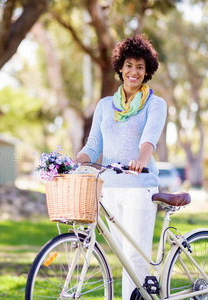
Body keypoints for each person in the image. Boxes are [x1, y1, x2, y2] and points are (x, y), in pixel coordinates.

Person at [75, 34, 167, 299]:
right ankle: (144, 292)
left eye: (140, 66)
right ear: (120, 68)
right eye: (129, 65)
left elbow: (148, 140)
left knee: (134, 255)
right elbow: (93, 146)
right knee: (124, 258)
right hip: (110, 189)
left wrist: (140, 160)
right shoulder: (105, 106)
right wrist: (77, 159)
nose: (134, 72)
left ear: (147, 70)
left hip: (139, 186)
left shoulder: (155, 104)